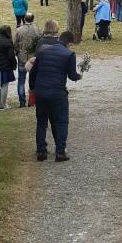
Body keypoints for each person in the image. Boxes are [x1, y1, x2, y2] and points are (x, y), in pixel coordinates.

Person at [29, 28, 83, 160]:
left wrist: (32, 89)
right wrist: (79, 76)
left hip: (41, 91)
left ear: (59, 39)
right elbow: (72, 75)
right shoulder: (69, 54)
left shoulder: (42, 51)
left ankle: (41, 151)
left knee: (41, 122)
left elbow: (33, 72)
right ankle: (60, 152)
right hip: (57, 93)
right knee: (61, 121)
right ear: (69, 43)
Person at [15, 13, 40, 107]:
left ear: (24, 19)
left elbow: (15, 44)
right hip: (33, 58)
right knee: (33, 79)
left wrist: (18, 53)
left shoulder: (19, 30)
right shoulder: (37, 30)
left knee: (21, 80)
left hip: (22, 57)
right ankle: (32, 101)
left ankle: (22, 101)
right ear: (33, 19)